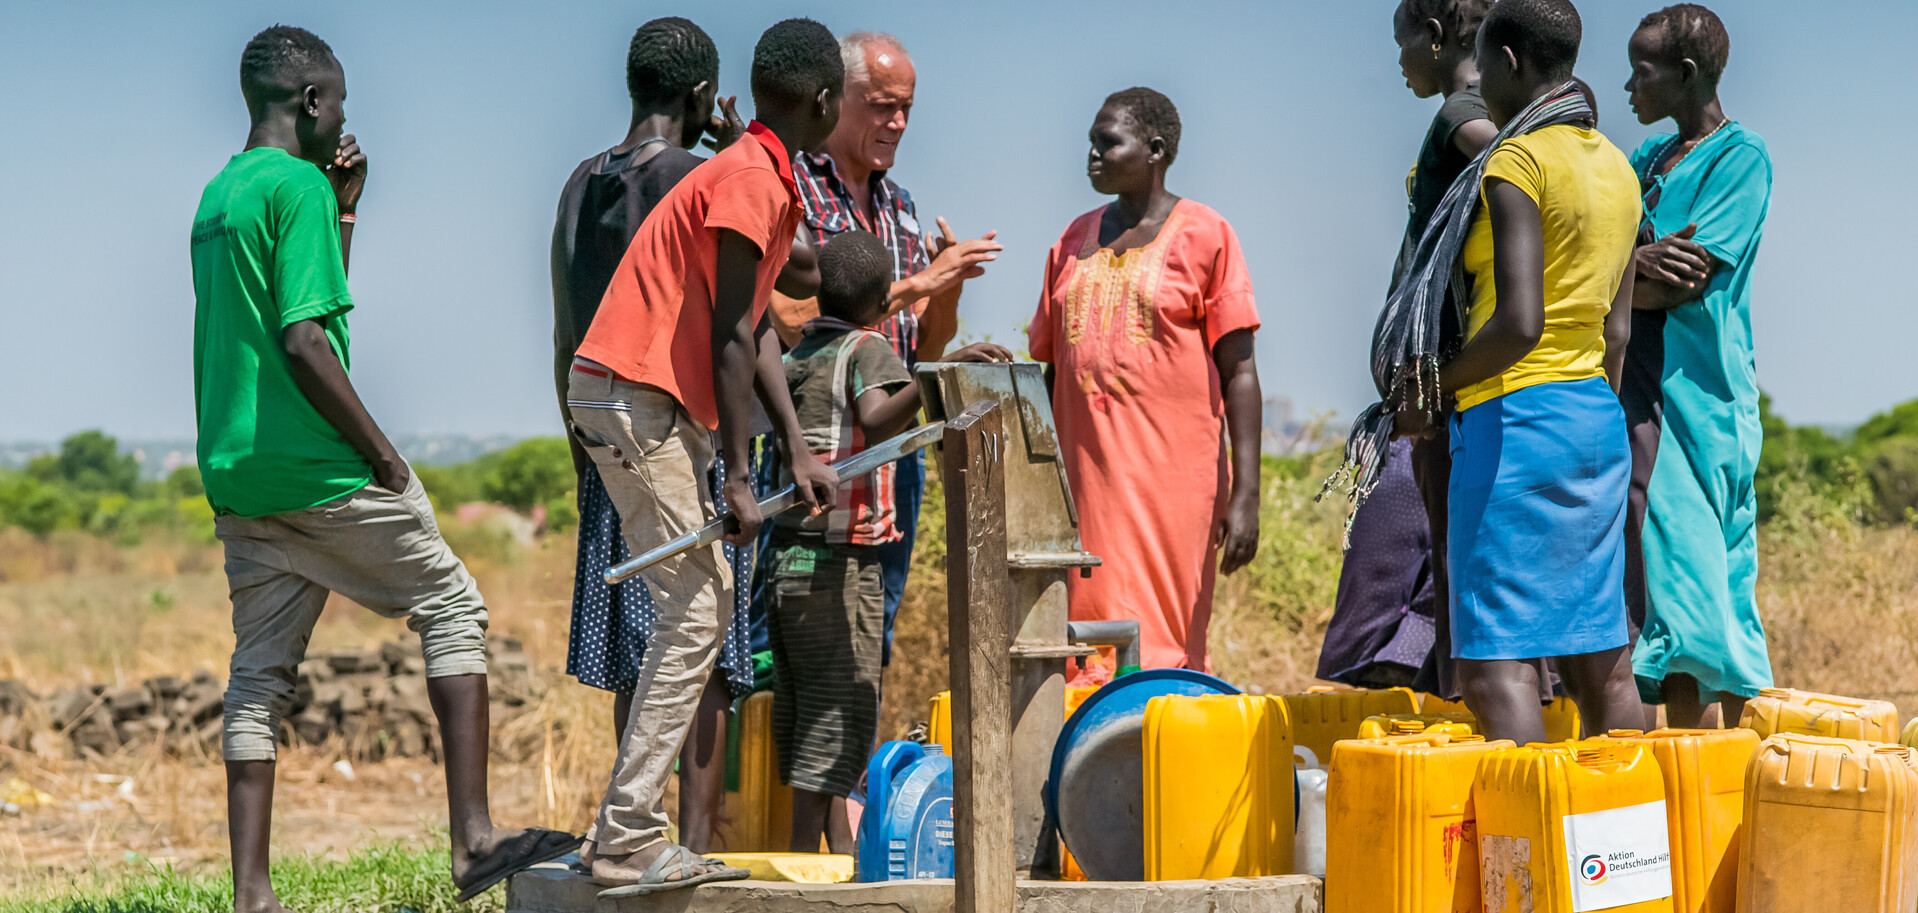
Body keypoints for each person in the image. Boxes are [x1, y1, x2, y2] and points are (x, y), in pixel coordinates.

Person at [191, 26, 578, 912]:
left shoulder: (221, 194)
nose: (342, 119)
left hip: (238, 472)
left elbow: (308, 307)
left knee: (258, 675)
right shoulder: (295, 185)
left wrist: (346, 213)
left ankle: (252, 895)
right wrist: (383, 454)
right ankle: (475, 840)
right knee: (452, 606)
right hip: (318, 469)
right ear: (313, 102)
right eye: (340, 103)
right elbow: (305, 341)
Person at [564, 18, 843, 896]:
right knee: (694, 609)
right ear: (825, 102)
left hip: (631, 392)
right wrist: (737, 474)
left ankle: (622, 828)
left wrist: (792, 448)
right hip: (634, 392)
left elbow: (753, 326)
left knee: (700, 602)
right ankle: (625, 836)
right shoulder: (750, 177)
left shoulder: (755, 172)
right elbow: (727, 334)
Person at [1395, 0, 1644, 744]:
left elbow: (1518, 323)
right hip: (1594, 418)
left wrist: (1432, 387)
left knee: (1493, 665)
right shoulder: (1619, 168)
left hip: (1514, 421)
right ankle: (1626, 819)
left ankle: (1529, 823)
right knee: (1601, 662)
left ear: (1507, 62)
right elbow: (1618, 331)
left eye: (1484, 69)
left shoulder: (1518, 161)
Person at [547, 17, 753, 864]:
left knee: (637, 642)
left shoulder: (579, 182)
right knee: (701, 631)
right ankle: (672, 840)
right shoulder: (697, 178)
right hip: (668, 427)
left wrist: (580, 452)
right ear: (702, 95)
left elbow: (565, 333)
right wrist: (740, 158)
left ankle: (627, 828)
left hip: (599, 428)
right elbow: (741, 314)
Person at [765, 230, 1010, 853]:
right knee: (843, 709)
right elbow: (876, 421)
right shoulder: (867, 347)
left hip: (788, 556)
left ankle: (834, 849)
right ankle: (809, 862)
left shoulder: (795, 354)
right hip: (842, 563)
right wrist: (939, 374)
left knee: (804, 705)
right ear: (883, 304)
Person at [770, 30, 1002, 677]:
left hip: (893, 453)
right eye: (881, 106)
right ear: (834, 99)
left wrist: (945, 289)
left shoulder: (899, 205)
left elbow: (924, 345)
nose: (897, 122)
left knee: (874, 627)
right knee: (792, 630)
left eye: (906, 108)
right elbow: (791, 318)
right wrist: (920, 283)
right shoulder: (793, 187)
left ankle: (848, 747)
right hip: (815, 451)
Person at [1028, 88, 1263, 680]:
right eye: (1091, 142)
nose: (1092, 154)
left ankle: (1158, 729)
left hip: (1175, 484)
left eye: (1107, 142)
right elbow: (1052, 370)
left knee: (1164, 642)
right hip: (1084, 485)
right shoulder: (1071, 241)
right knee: (1085, 640)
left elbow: (1240, 371)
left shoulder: (1206, 235)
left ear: (1155, 150)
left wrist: (1247, 494)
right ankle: (1091, 735)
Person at [1319, 0, 1499, 692]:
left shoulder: (1462, 114)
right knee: (1449, 574)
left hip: (1448, 379)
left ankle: (1465, 713)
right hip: (1448, 379)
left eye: (1402, 45)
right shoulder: (1471, 114)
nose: (1398, 63)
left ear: (1434, 36)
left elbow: (1521, 169)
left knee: (1448, 570)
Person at [1621, 3, 1772, 727]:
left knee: (1704, 578)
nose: (1629, 87)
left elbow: (1681, 282)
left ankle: (1710, 763)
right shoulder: (1644, 161)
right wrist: (1635, 262)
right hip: (1647, 389)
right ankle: (1699, 764)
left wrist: (1626, 273)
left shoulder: (1741, 159)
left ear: (1685, 75)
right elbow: (1619, 262)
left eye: (1641, 71)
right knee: (1676, 577)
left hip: (1701, 394)